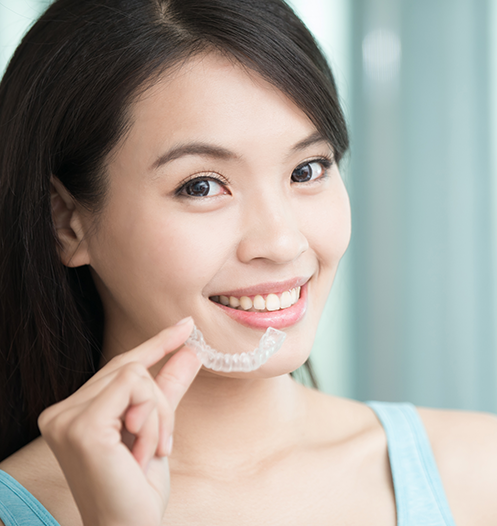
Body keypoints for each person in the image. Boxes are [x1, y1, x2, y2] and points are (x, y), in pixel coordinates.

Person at [0, 0, 496, 524]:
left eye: (307, 170)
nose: (282, 243)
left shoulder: (478, 472)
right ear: (67, 224)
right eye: (202, 186)